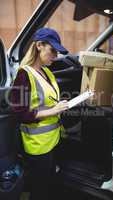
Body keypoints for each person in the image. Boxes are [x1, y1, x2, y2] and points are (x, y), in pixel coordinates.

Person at [10, 27, 69, 200]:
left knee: (48, 184)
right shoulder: (24, 74)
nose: (55, 56)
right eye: (52, 50)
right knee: (39, 189)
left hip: (52, 139)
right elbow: (20, 113)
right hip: (38, 146)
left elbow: (46, 102)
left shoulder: (47, 72)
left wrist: (60, 105)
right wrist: (54, 110)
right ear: (39, 45)